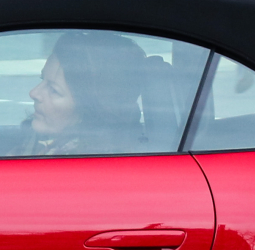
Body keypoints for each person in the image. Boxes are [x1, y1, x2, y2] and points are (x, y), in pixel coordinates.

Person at [22, 31, 156, 157]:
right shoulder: (43, 143)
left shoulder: (74, 166)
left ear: (89, 111)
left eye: (54, 90)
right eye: (42, 79)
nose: (34, 93)